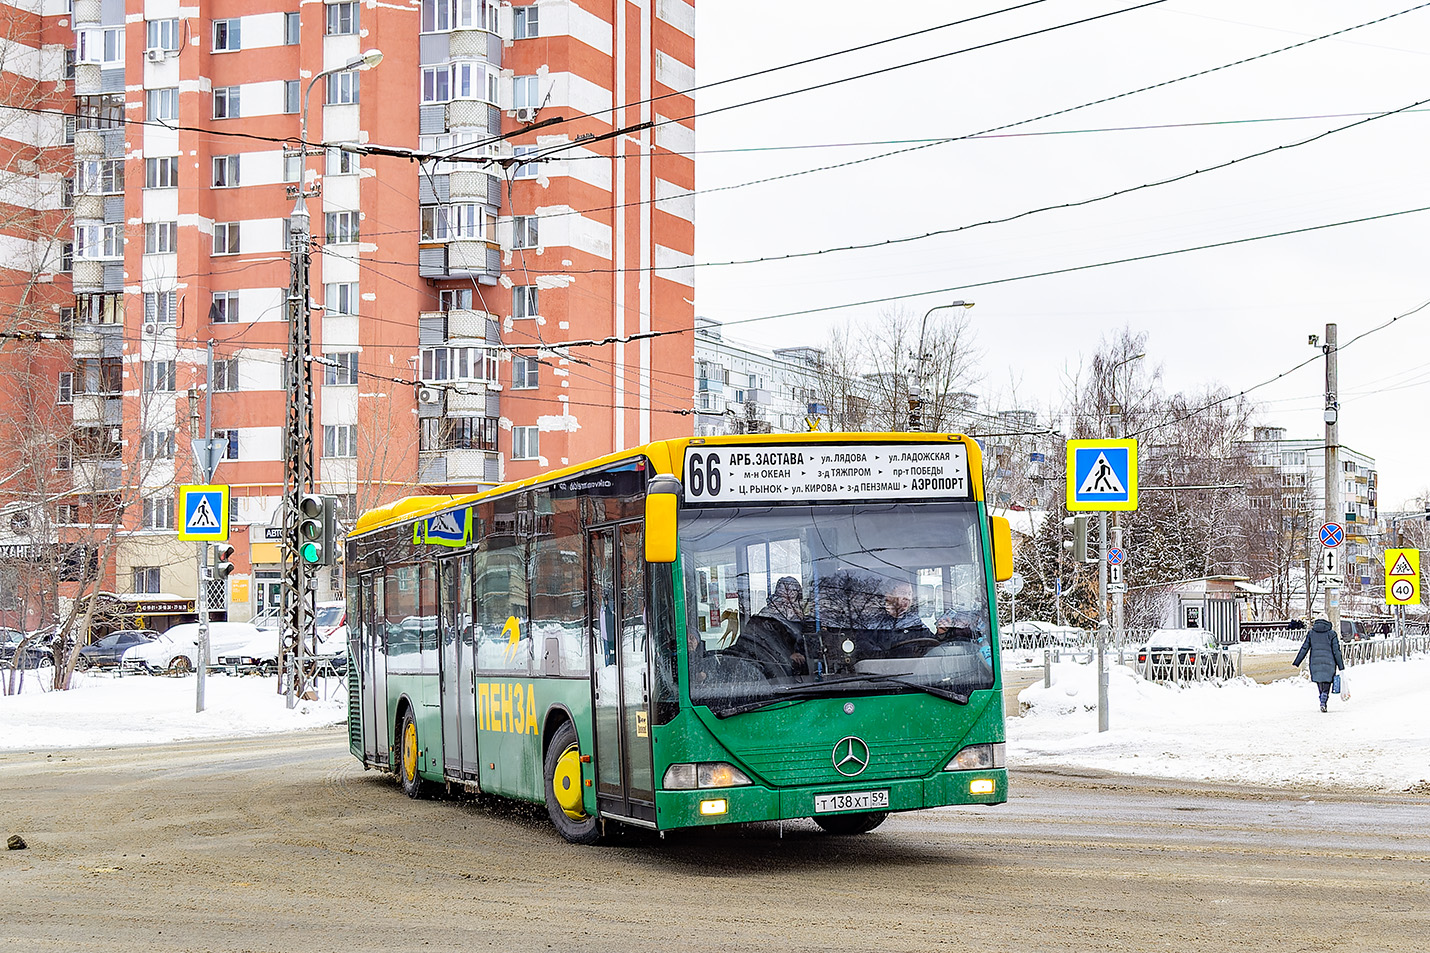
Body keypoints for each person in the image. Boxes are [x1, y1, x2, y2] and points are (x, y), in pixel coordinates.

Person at [730, 576, 808, 675]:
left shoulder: (798, 615)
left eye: (795, 591)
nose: (792, 595)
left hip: (802, 677)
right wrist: (788, 656)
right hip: (773, 675)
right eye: (789, 591)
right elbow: (761, 647)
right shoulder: (765, 617)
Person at [1292, 617, 1344, 712]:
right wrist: (1341, 666)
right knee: (1327, 683)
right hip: (1329, 663)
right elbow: (1336, 651)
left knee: (1320, 682)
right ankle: (1324, 700)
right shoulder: (1331, 634)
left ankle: (1322, 699)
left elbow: (1304, 648)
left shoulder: (1311, 633)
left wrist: (1297, 661)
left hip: (1315, 663)